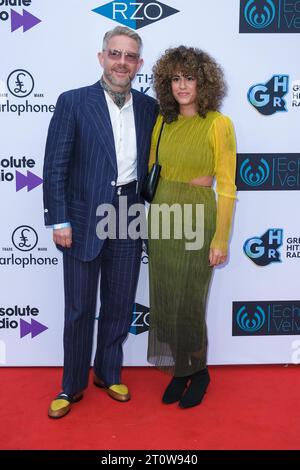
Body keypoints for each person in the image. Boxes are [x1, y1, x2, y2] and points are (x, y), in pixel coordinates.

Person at [43, 26, 158, 419]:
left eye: (129, 56)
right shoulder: (73, 102)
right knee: (78, 307)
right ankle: (71, 384)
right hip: (81, 216)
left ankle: (108, 373)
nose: (121, 62)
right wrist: (59, 219)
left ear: (138, 64)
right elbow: (55, 166)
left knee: (119, 301)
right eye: (115, 53)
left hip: (128, 212)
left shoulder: (148, 108)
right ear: (101, 57)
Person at [147, 46, 237, 408]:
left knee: (190, 303)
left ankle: (198, 372)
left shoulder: (218, 124)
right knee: (166, 300)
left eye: (190, 78)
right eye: (176, 79)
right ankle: (179, 370)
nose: (182, 86)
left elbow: (228, 187)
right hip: (162, 218)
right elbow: (154, 169)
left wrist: (221, 239)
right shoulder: (162, 121)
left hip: (198, 217)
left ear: (204, 82)